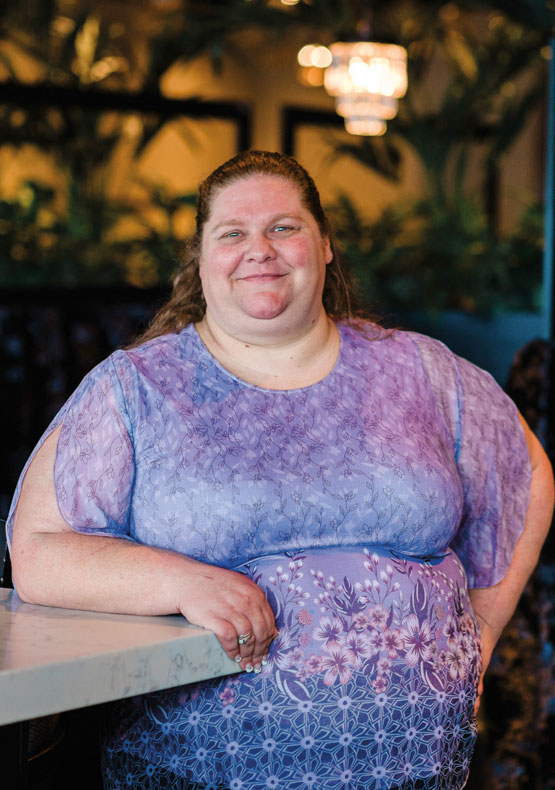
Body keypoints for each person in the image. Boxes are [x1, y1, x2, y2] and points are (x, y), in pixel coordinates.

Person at [7, 150, 553, 790]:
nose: (258, 249)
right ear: (203, 258)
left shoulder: (419, 369)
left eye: (284, 227)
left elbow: (525, 473)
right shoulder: (137, 388)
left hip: (414, 766)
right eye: (232, 233)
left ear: (324, 245)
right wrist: (183, 582)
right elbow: (40, 553)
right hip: (204, 767)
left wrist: (480, 633)